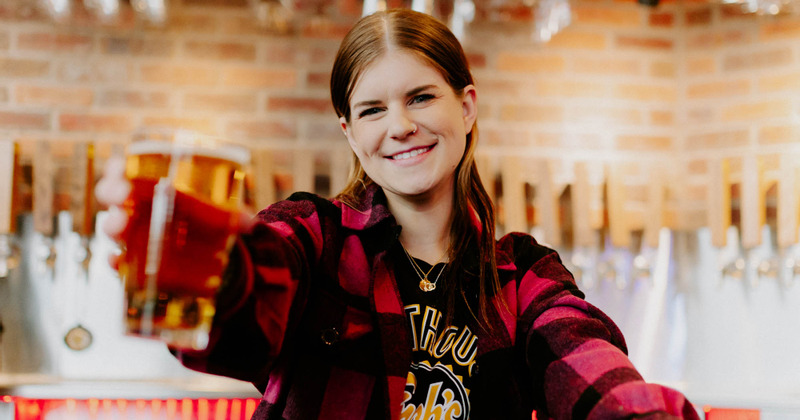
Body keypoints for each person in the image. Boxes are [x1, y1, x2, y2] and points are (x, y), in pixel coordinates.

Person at [96, 8, 700, 420]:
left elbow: (590, 369)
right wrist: (211, 263)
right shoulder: (315, 235)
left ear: (466, 107)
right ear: (350, 133)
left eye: (420, 97)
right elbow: (251, 306)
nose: (400, 126)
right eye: (372, 110)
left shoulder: (524, 274)